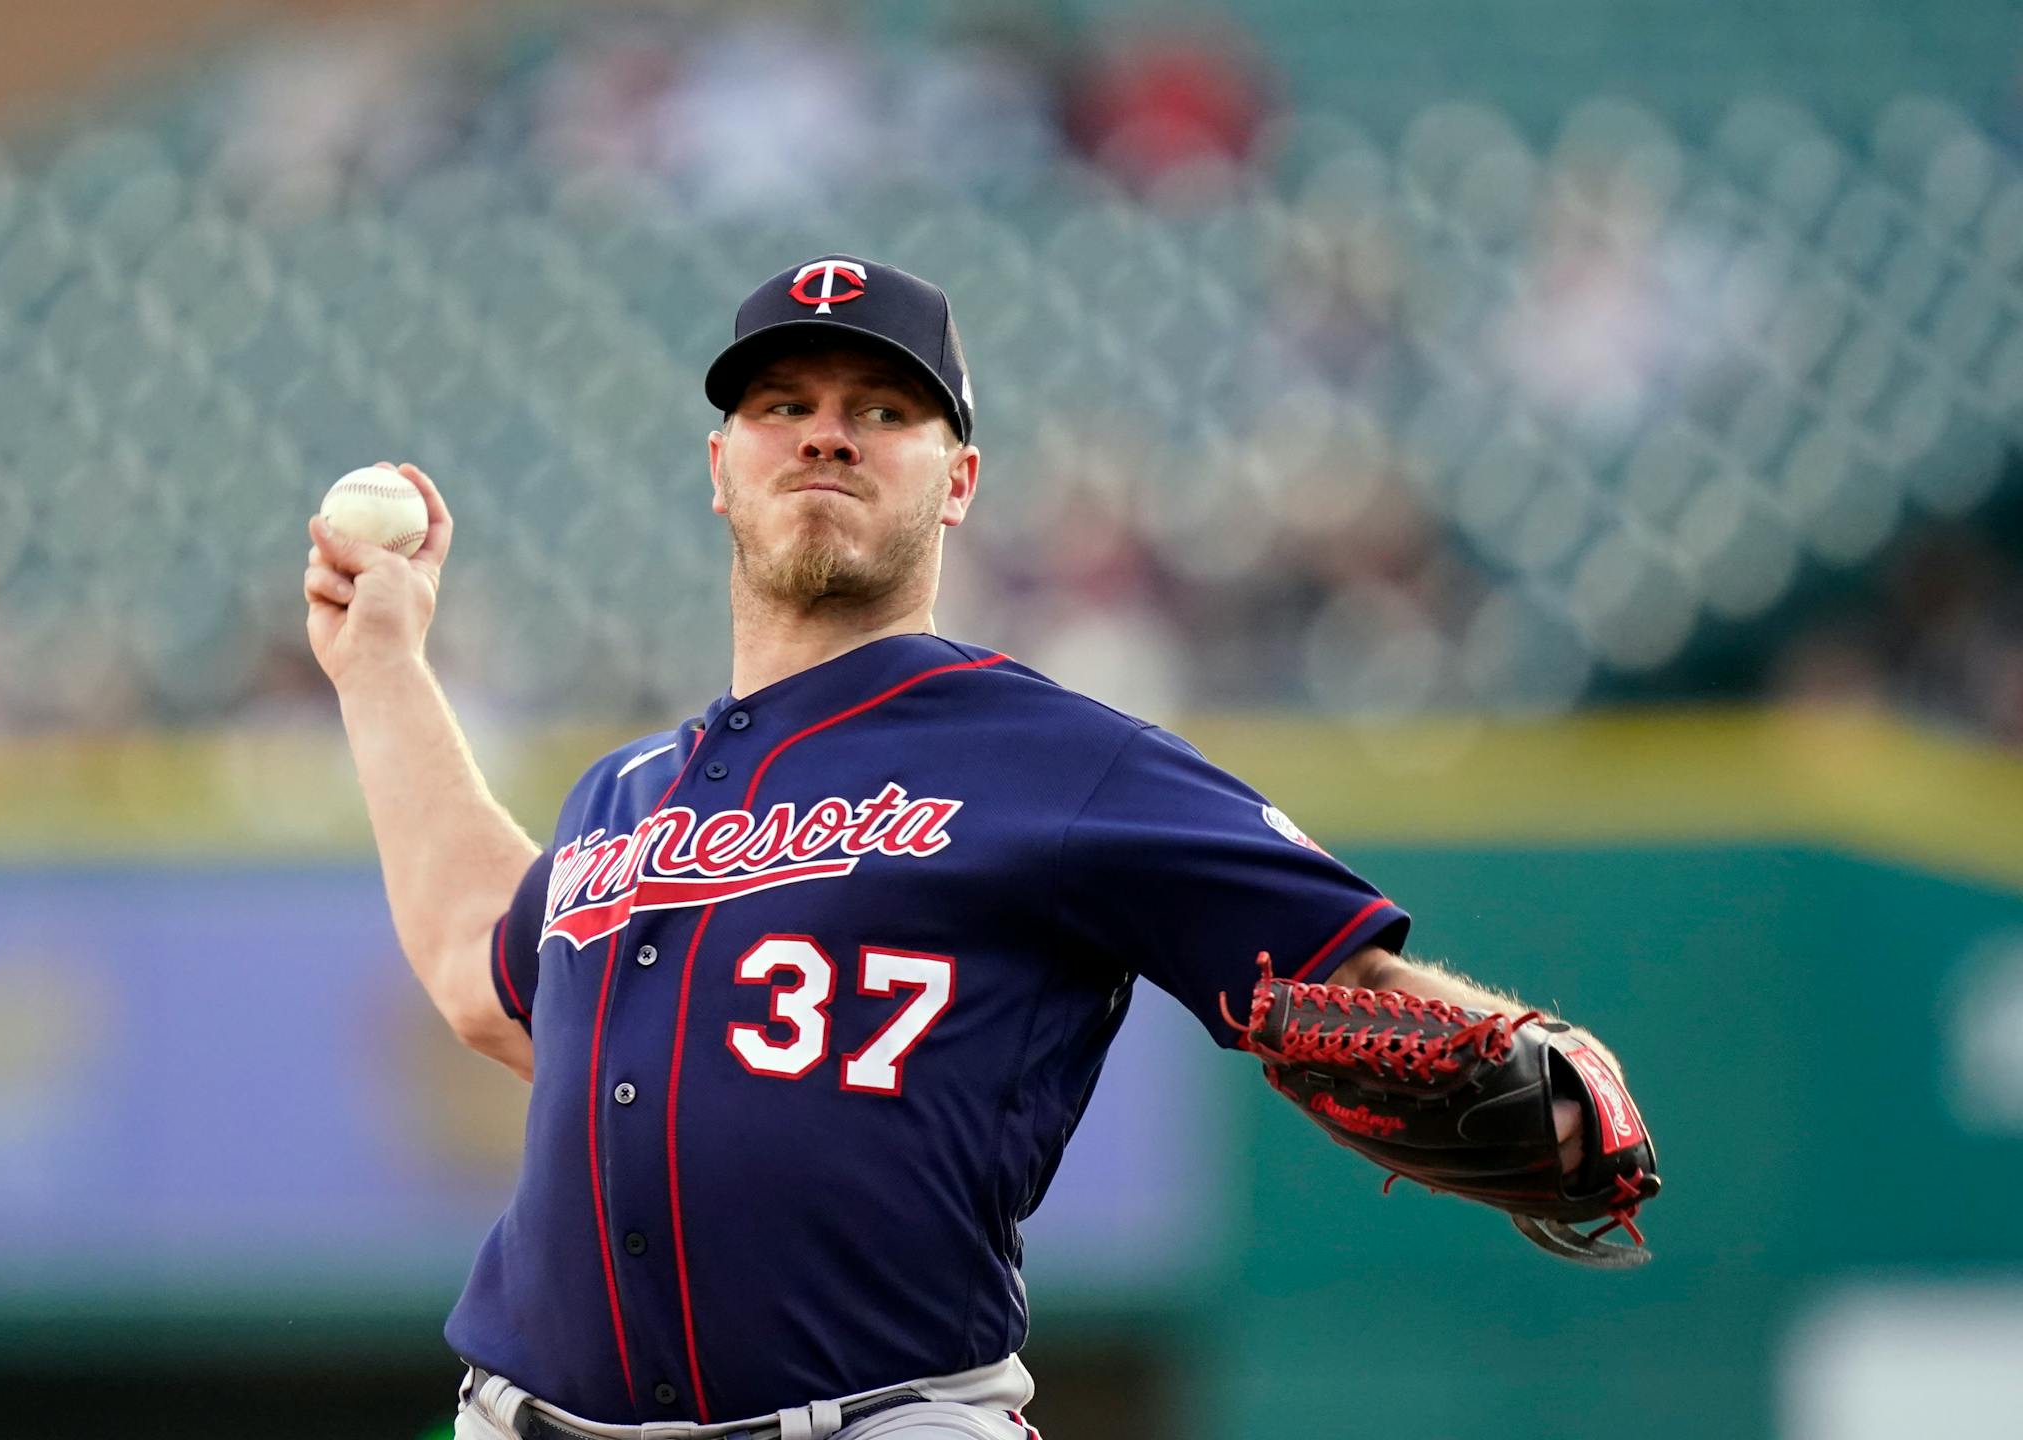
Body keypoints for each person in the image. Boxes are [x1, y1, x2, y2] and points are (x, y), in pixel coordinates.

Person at [302, 255, 1611, 1440]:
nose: (826, 432)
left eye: (881, 409)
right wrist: (381, 670)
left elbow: (1357, 997)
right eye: (782, 404)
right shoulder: (625, 792)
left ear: (960, 479)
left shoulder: (1065, 760)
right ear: (720, 467)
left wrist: (1550, 1082)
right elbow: (487, 981)